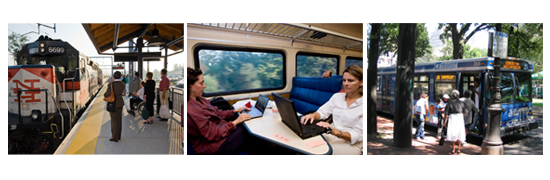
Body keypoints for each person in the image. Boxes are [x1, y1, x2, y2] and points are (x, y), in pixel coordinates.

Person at [186, 67, 253, 155]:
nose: (205, 86)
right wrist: (235, 122)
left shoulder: (201, 100)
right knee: (249, 133)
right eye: (201, 83)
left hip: (220, 134)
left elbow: (218, 113)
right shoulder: (191, 110)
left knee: (246, 129)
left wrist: (236, 111)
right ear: (190, 86)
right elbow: (213, 134)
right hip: (214, 146)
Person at [301, 65, 363, 155]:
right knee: (305, 146)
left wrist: (335, 132)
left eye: (351, 80)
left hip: (351, 143)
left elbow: (358, 135)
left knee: (320, 153)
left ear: (362, 82)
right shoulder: (337, 97)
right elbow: (322, 112)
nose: (346, 83)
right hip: (331, 133)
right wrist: (313, 115)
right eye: (344, 80)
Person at [104, 71, 125, 142]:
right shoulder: (123, 84)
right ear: (120, 76)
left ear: (113, 76)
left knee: (114, 120)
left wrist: (105, 94)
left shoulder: (111, 84)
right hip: (120, 103)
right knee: (119, 120)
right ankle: (118, 136)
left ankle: (114, 137)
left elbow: (107, 94)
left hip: (113, 104)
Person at [443, 90, 467, 154]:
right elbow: (465, 113)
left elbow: (446, 114)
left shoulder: (449, 103)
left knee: (453, 133)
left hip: (452, 118)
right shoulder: (462, 103)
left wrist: (444, 122)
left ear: (452, 96)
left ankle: (453, 149)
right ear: (458, 96)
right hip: (460, 118)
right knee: (460, 133)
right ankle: (459, 149)